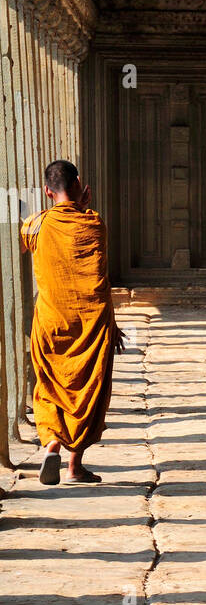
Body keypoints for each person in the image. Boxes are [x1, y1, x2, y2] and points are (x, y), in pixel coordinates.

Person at [20, 161, 124, 485]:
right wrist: (114, 324)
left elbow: (25, 235)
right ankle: (75, 465)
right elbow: (101, 278)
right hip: (90, 324)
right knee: (88, 392)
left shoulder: (36, 226)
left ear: (48, 192)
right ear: (80, 184)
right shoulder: (94, 224)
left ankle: (52, 441)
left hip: (51, 321)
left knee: (49, 386)